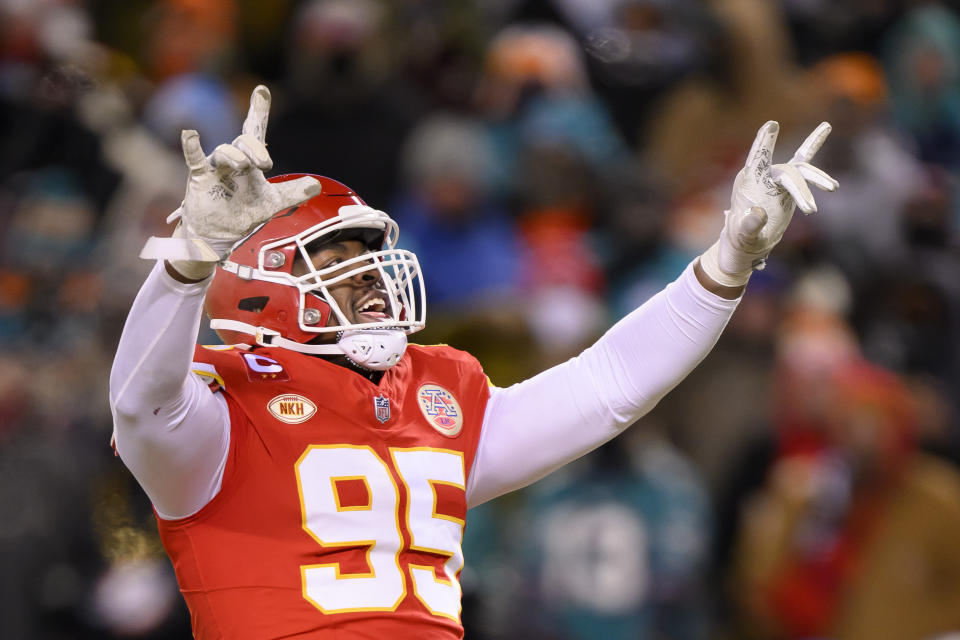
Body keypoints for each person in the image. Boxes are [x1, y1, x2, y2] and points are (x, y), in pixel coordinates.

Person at [109, 85, 837, 639]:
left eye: (369, 260)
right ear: (259, 286)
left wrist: (728, 262)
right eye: (335, 261)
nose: (368, 278)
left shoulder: (439, 390)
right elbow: (141, 403)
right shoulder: (217, 411)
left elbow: (609, 384)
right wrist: (190, 257)